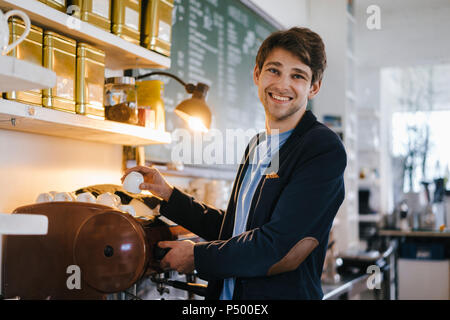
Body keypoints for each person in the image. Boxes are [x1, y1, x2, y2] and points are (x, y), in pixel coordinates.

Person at [122, 27, 347, 300]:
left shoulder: (321, 148)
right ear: (257, 74)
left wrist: (197, 257)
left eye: (297, 75)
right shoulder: (258, 145)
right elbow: (235, 231)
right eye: (274, 70)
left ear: (314, 87)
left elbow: (279, 246)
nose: (282, 84)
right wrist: (168, 194)